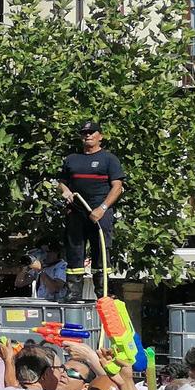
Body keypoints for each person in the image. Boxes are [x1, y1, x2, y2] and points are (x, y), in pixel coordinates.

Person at [57, 119, 123, 296]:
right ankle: (73, 295)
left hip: (99, 214)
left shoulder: (109, 159)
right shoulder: (72, 159)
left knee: (101, 254)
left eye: (92, 132)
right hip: (76, 213)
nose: (88, 136)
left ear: (100, 136)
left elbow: (117, 187)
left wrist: (102, 208)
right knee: (74, 253)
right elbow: (62, 183)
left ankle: (103, 294)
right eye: (84, 133)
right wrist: (65, 191)